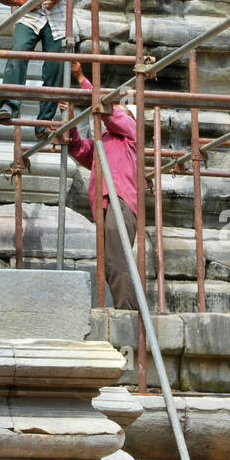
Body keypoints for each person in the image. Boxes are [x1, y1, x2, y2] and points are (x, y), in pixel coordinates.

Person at [67, 61, 140, 310]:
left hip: (120, 199)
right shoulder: (104, 140)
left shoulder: (131, 130)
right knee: (110, 262)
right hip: (106, 202)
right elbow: (78, 148)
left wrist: (81, 79)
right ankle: (127, 308)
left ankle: (128, 311)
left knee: (116, 260)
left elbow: (108, 112)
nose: (115, 107)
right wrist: (70, 119)